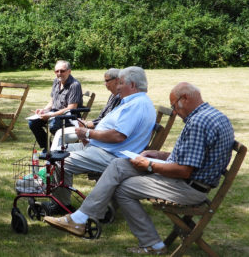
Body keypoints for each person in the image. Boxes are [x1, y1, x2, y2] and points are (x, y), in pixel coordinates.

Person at [44, 82, 234, 255]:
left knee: (123, 188)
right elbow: (195, 157)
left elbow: (184, 170)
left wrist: (149, 165)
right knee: (118, 165)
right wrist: (159, 155)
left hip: (189, 188)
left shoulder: (198, 122)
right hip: (191, 180)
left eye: (175, 106)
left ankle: (152, 244)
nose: (175, 112)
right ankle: (81, 218)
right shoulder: (212, 115)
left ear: (185, 98)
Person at [45, 66, 156, 214]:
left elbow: (118, 136)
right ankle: (59, 201)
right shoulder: (134, 102)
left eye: (121, 83)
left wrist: (88, 133)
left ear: (132, 85)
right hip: (102, 149)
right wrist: (87, 135)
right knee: (59, 151)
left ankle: (61, 205)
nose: (118, 87)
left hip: (112, 156)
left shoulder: (136, 105)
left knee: (59, 160)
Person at [50, 68, 121, 151]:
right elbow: (103, 117)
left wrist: (88, 124)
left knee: (60, 134)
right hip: (95, 130)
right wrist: (87, 123)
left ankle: (52, 160)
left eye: (107, 81)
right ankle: (52, 158)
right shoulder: (113, 95)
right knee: (59, 135)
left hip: (99, 134)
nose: (105, 84)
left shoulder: (120, 98)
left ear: (116, 80)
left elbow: (109, 121)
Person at [28, 60, 83, 151]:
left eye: (62, 71)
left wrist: (50, 115)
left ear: (69, 71)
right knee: (32, 122)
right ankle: (48, 147)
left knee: (53, 125)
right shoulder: (56, 81)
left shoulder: (74, 85)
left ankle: (56, 149)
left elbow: (71, 108)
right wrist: (44, 110)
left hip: (69, 117)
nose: (59, 73)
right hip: (54, 113)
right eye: (57, 71)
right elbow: (52, 101)